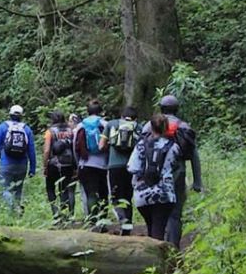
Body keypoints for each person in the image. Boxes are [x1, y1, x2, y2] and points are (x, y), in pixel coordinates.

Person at [147, 93, 203, 247]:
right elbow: (193, 156)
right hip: (177, 173)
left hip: (153, 175)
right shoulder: (183, 127)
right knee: (175, 214)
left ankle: (154, 247)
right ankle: (173, 248)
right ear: (177, 109)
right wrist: (197, 181)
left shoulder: (149, 126)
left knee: (155, 212)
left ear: (161, 108)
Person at [127, 113, 181, 241]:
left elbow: (132, 167)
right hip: (165, 194)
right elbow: (176, 167)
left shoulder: (141, 145)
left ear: (151, 127)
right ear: (166, 128)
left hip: (142, 194)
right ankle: (158, 259)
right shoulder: (174, 147)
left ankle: (151, 256)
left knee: (151, 227)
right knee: (159, 230)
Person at [100, 105, 140, 235]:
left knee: (115, 197)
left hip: (114, 166)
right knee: (128, 197)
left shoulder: (111, 124)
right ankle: (128, 226)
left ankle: (123, 220)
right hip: (131, 167)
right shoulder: (138, 127)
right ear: (135, 118)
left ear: (121, 115)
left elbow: (101, 146)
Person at [0, 104, 36, 213]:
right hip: (22, 165)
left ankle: (13, 209)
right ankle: (17, 211)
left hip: (6, 164)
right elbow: (31, 151)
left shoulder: (3, 127)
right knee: (18, 191)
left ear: (10, 114)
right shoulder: (27, 129)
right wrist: (32, 168)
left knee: (5, 190)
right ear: (21, 116)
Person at [74, 99, 109, 228]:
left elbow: (75, 147)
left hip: (85, 164)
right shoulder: (105, 124)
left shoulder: (80, 126)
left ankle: (93, 221)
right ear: (100, 111)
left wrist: (78, 163)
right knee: (104, 193)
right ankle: (103, 222)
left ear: (87, 111)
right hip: (102, 165)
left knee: (90, 193)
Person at [43, 110, 76, 224]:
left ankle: (56, 214)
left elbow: (47, 150)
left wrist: (45, 165)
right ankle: (68, 214)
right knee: (65, 189)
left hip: (54, 164)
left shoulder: (50, 132)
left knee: (50, 188)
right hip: (69, 163)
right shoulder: (70, 131)